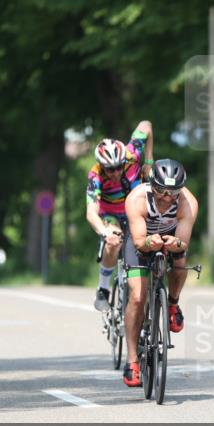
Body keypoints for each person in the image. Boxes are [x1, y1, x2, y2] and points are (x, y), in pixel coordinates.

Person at [121, 159, 198, 387]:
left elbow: (183, 243)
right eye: (161, 191)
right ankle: (132, 359)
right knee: (137, 296)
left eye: (173, 192)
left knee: (180, 262)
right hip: (141, 239)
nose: (166, 197)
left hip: (170, 236)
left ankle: (173, 303)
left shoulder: (188, 203)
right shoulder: (136, 199)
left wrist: (175, 243)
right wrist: (148, 242)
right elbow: (138, 242)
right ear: (151, 185)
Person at [85, 121, 154, 311]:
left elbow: (146, 125)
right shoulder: (95, 176)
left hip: (136, 210)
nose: (115, 172)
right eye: (110, 169)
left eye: (119, 166)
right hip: (112, 214)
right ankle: (103, 289)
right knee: (114, 241)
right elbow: (91, 212)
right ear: (101, 166)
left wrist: (148, 161)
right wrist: (104, 233)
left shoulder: (132, 153)